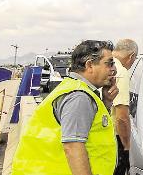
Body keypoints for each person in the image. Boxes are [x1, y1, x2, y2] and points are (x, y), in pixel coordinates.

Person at [12, 40, 119, 175]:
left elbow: (91, 131)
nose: (113, 69)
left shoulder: (74, 88)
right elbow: (73, 147)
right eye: (109, 63)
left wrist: (106, 102)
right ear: (90, 65)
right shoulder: (79, 97)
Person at [111, 39, 139, 175]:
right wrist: (127, 146)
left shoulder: (102, 65)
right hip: (113, 136)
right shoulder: (120, 72)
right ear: (131, 56)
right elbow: (121, 117)